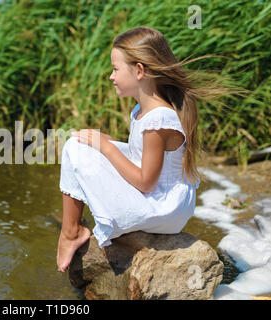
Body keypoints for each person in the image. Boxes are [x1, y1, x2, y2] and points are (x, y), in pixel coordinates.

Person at [56, 26, 243, 273]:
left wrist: (106, 148)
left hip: (161, 206)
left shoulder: (158, 119)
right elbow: (139, 155)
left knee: (74, 148)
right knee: (81, 144)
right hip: (159, 199)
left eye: (115, 69)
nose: (111, 77)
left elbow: (145, 182)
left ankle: (71, 232)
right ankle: (73, 229)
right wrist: (104, 145)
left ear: (140, 71)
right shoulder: (143, 112)